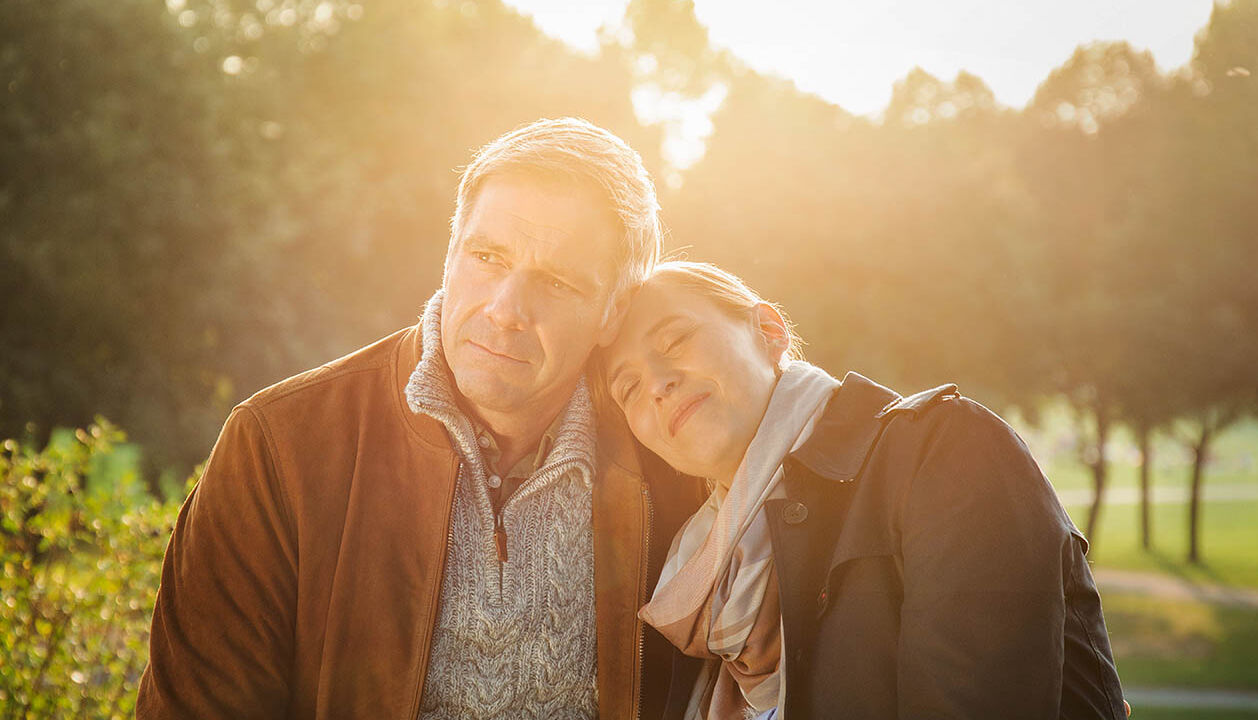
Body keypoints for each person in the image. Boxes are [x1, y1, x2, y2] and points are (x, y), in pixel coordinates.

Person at [136, 118, 703, 719]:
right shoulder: (278, 445)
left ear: (614, 313)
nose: (506, 309)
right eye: (486, 257)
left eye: (557, 283)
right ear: (451, 252)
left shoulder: (674, 459)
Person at [601, 261, 1129, 719]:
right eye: (627, 387)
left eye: (674, 340)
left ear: (768, 329)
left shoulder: (941, 451)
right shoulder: (695, 585)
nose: (657, 383)